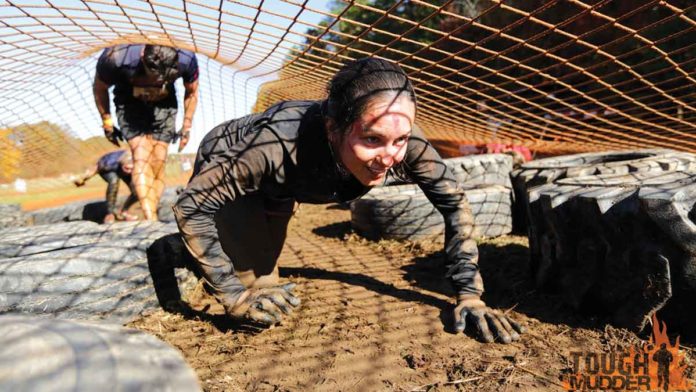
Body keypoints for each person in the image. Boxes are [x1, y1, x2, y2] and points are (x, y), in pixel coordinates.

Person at [173, 58, 524, 343]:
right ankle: (193, 252)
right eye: (372, 139)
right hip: (236, 162)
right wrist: (234, 295)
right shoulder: (273, 147)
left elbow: (454, 203)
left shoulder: (402, 140)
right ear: (332, 128)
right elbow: (191, 205)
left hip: (291, 183)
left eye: (399, 139)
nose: (389, 157)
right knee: (256, 294)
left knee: (266, 268)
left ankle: (253, 234)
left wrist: (469, 294)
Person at [93, 44, 199, 221]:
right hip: (129, 100)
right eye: (154, 76)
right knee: (141, 156)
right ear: (143, 57)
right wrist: (107, 122)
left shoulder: (186, 58)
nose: (156, 82)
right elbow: (99, 88)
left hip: (164, 103)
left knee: (158, 160)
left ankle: (153, 212)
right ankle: (150, 219)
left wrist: (186, 127)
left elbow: (192, 91)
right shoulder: (115, 57)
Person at [74, 149, 138, 224]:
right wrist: (83, 179)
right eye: (127, 168)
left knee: (137, 190)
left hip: (121, 167)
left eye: (131, 169)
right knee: (114, 181)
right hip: (108, 170)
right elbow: (94, 169)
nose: (129, 171)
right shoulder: (109, 162)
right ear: (122, 165)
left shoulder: (137, 161)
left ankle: (124, 211)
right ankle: (110, 214)